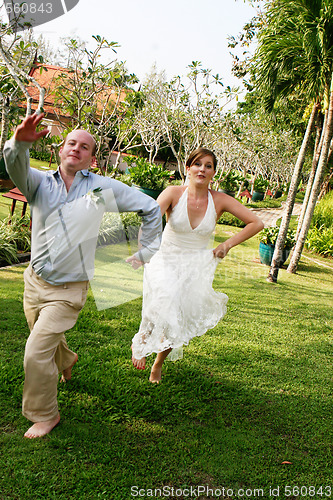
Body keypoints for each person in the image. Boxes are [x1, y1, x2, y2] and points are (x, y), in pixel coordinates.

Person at [3, 112, 162, 438]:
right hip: (34, 282)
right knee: (43, 338)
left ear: (92, 158)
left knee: (35, 351)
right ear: (61, 149)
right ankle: (67, 358)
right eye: (71, 143)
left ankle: (45, 415)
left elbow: (151, 208)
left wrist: (145, 251)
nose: (76, 148)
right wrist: (19, 142)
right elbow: (14, 164)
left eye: (85, 146)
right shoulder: (38, 184)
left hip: (68, 290)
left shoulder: (102, 188)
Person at [130, 147, 264, 383]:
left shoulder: (220, 200)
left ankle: (158, 364)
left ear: (214, 173)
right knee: (164, 301)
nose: (202, 169)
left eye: (208, 165)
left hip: (197, 265)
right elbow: (150, 220)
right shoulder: (173, 193)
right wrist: (143, 251)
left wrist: (228, 244)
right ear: (188, 168)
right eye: (198, 164)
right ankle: (141, 340)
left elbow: (256, 223)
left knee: (178, 318)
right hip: (165, 258)